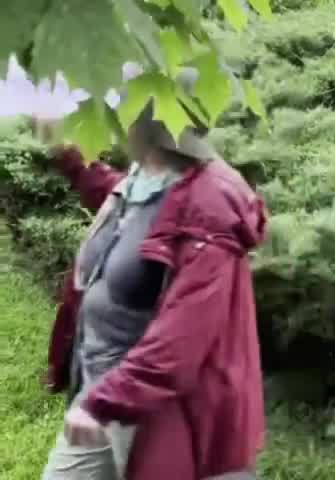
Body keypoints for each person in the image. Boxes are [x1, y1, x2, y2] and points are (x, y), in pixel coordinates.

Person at [37, 74, 267, 480]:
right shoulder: (144, 180)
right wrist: (66, 153)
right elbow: (119, 204)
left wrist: (105, 401)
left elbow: (183, 338)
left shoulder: (210, 203)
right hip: (102, 390)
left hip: (160, 407)